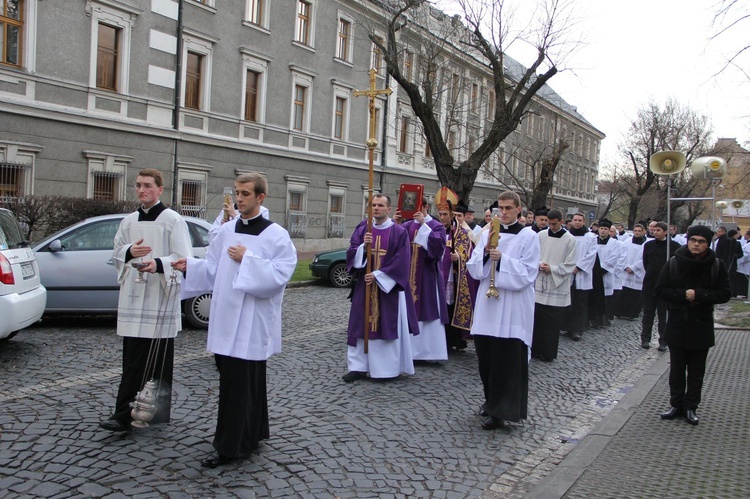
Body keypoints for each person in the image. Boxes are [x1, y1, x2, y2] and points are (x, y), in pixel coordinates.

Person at [174, 173, 296, 467]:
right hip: (227, 317)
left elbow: (281, 275)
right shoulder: (227, 231)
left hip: (253, 321)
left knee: (245, 383)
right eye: (237, 193)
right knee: (236, 382)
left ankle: (230, 447)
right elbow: (214, 269)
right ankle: (252, 433)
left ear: (260, 198)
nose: (238, 199)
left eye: (245, 194)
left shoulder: (276, 235)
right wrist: (189, 266)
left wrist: (248, 259)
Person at [100, 168, 193, 432]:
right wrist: (129, 251)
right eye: (138, 185)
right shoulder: (128, 221)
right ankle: (123, 415)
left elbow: (183, 258)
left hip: (159, 298)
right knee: (132, 360)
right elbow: (116, 252)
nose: (142, 190)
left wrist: (158, 264)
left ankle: (156, 413)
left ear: (160, 189)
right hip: (133, 297)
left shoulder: (172, 220)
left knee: (159, 359)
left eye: (148, 185)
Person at [468, 191, 539, 430]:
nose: (504, 212)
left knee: (506, 359)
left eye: (509, 208)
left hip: (512, 307)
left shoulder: (529, 236)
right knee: (487, 357)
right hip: (488, 307)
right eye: (501, 208)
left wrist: (503, 260)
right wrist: (488, 255)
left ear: (519, 210)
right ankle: (490, 401)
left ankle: (502, 410)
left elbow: (529, 273)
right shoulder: (489, 232)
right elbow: (474, 267)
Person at [656, 225, 731, 425]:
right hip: (678, 323)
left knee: (697, 371)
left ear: (708, 244)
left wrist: (699, 295)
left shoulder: (716, 265)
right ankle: (676, 404)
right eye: (693, 240)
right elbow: (661, 290)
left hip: (701, 324)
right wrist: (682, 295)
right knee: (677, 369)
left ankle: (691, 406)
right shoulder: (673, 262)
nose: (696, 244)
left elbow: (725, 294)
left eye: (701, 241)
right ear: (687, 241)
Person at [343, 194, 419, 382]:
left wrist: (378, 275)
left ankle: (385, 369)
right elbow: (351, 252)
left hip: (387, 289)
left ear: (389, 209)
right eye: (373, 205)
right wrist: (363, 246)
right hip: (364, 286)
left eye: (380, 205)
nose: (375, 208)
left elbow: (402, 259)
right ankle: (358, 367)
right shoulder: (363, 229)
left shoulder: (399, 232)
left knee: (384, 324)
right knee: (360, 324)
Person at [401, 200, 449, 361]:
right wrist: (394, 223)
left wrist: (423, 225)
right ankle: (409, 351)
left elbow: (438, 246)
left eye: (419, 207)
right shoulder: (407, 226)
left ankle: (430, 352)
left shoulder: (436, 225)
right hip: (409, 275)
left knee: (429, 308)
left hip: (427, 274)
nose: (416, 211)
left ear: (426, 207)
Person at [531, 209, 577, 361]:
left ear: (561, 221)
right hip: (540, 282)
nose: (551, 227)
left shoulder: (570, 239)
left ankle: (549, 353)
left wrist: (553, 269)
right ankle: (535, 350)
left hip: (556, 284)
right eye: (549, 224)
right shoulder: (541, 235)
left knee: (552, 323)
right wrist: (539, 264)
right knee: (538, 320)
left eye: (554, 224)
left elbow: (570, 264)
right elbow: (532, 254)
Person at [440, 203, 476, 351]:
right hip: (440, 275)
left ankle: (456, 340)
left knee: (453, 307)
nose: (442, 218)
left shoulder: (461, 233)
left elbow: (470, 253)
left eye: (445, 215)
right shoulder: (435, 230)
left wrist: (459, 257)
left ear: (452, 215)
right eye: (440, 214)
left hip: (454, 277)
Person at [641, 221, 681, 351]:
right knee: (648, 313)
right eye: (654, 230)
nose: (655, 232)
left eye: (658, 230)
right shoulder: (648, 245)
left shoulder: (674, 246)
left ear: (665, 231)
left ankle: (663, 340)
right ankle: (645, 338)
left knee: (663, 314)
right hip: (650, 283)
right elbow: (645, 262)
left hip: (665, 285)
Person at [562, 213, 598, 341]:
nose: (577, 222)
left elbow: (591, 254)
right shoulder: (566, 235)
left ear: (584, 222)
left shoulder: (591, 237)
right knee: (567, 301)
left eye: (580, 220)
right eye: (575, 220)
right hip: (567, 272)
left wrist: (578, 267)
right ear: (571, 221)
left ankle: (577, 329)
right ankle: (567, 327)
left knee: (580, 303)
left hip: (581, 273)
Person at [590, 219, 619, 328]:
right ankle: (592, 319)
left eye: (605, 229)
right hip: (592, 272)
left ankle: (603, 320)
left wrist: (601, 270)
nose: (603, 231)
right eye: (601, 228)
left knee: (605, 298)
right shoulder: (592, 240)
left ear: (609, 230)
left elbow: (614, 258)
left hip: (605, 273)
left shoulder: (614, 243)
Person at [615, 223, 646, 319]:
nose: (637, 232)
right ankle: (620, 312)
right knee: (624, 294)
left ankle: (632, 314)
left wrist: (633, 268)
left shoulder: (646, 244)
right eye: (635, 231)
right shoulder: (627, 242)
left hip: (638, 272)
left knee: (635, 295)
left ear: (644, 232)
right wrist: (626, 266)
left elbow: (645, 258)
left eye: (639, 231)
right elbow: (621, 255)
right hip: (626, 271)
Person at [716, 228, 744, 297]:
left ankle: (732, 292)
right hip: (725, 262)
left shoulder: (737, 243)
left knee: (732, 277)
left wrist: (736, 256)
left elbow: (740, 253)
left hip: (732, 263)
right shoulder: (724, 240)